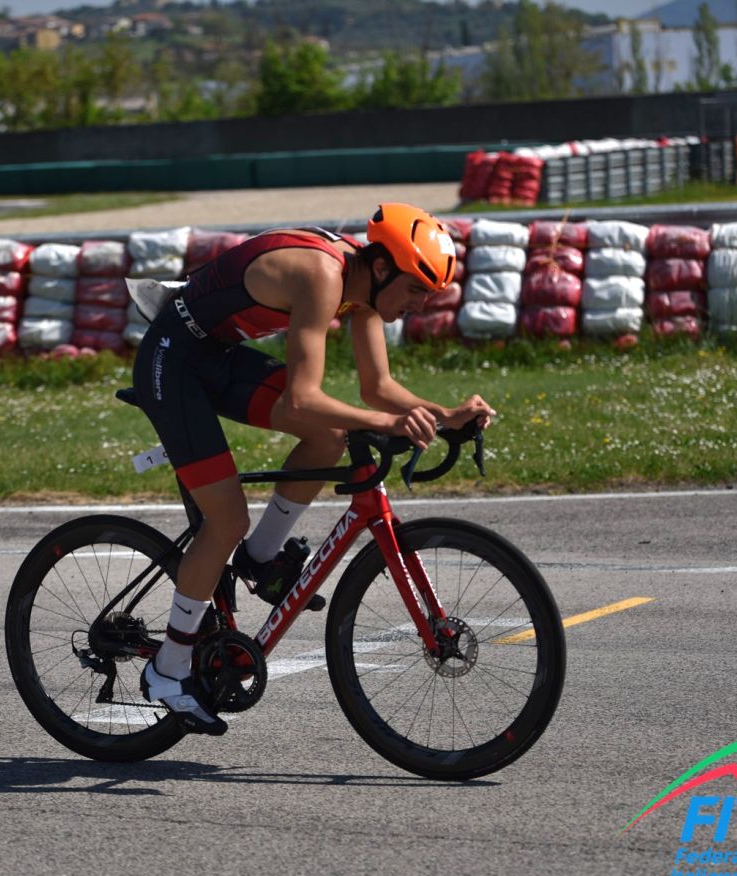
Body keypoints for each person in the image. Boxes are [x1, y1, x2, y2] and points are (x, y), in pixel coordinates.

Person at [130, 203, 495, 736]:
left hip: (217, 356)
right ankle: (168, 667)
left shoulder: (364, 286)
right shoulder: (323, 275)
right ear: (383, 267)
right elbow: (302, 399)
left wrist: (444, 416)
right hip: (173, 361)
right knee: (226, 520)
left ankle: (260, 558)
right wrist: (389, 423)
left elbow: (378, 388)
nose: (420, 304)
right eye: (417, 289)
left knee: (329, 436)